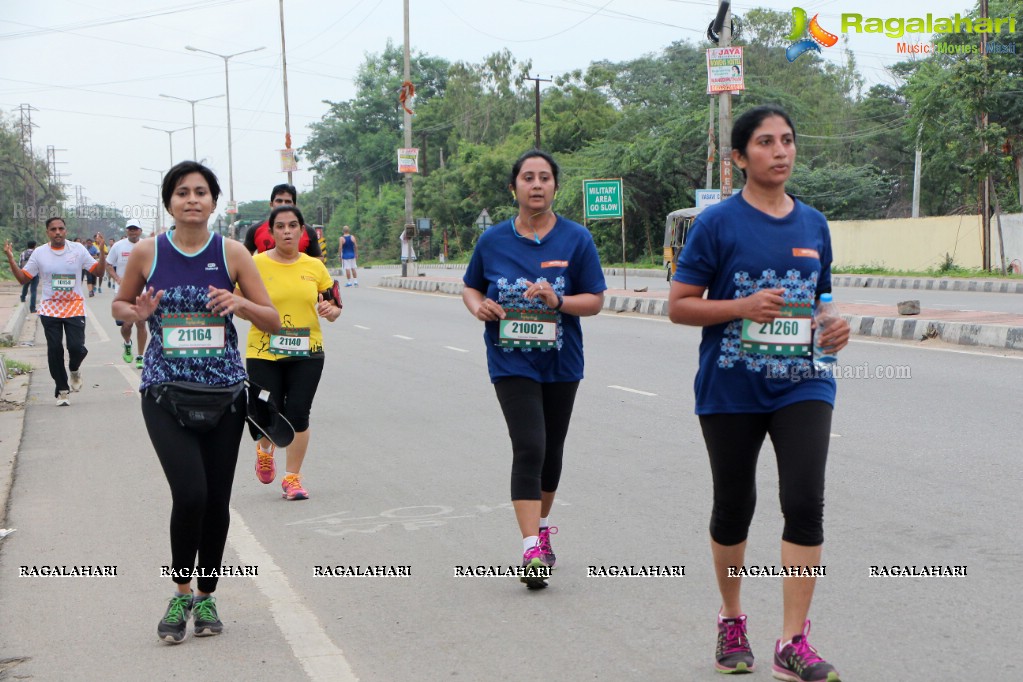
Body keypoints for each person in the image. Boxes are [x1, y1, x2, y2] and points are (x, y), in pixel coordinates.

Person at [668, 105, 849, 681]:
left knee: (804, 502)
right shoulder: (716, 225)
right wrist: (741, 307)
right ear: (740, 158)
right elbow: (679, 305)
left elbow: (820, 298)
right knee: (734, 506)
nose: (781, 151)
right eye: (766, 142)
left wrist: (833, 325)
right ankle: (731, 618)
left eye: (788, 140)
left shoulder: (814, 224)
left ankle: (793, 642)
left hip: (805, 381)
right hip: (731, 385)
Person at [111, 161, 279, 644]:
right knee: (190, 495)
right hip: (165, 393)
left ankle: (206, 595)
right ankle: (181, 592)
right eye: (182, 192)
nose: (191, 199)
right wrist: (135, 311)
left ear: (214, 202)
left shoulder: (233, 254)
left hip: (225, 395)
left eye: (201, 192)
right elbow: (120, 306)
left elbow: (271, 320)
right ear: (169, 202)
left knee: (218, 501)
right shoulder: (147, 253)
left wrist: (240, 304)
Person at [462, 149, 606, 589]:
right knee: (529, 444)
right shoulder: (493, 241)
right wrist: (479, 306)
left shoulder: (576, 239)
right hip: (511, 360)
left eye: (545, 177)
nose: (537, 184)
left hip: (562, 362)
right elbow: (471, 285)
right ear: (514, 187)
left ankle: (541, 527)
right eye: (528, 177)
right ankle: (529, 547)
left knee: (551, 453)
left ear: (555, 187)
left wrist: (558, 301)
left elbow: (595, 300)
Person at [239, 205, 341, 501]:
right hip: (263, 349)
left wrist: (330, 310)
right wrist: (255, 316)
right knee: (265, 413)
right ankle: (265, 449)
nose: (287, 231)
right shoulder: (254, 264)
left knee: (298, 413)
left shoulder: (314, 267)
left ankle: (292, 479)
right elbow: (235, 298)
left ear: (301, 231)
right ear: (270, 232)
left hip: (308, 350)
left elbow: (335, 306)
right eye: (280, 226)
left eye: (293, 225)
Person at [4, 218, 105, 406]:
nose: (57, 232)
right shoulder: (39, 253)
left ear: (65, 231)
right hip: (50, 307)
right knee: (54, 349)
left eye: (61, 229)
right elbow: (22, 279)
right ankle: (62, 390)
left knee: (76, 347)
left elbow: (98, 272)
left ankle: (74, 368)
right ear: (47, 232)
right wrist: (10, 258)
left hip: (74, 305)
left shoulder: (78, 249)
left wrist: (102, 252)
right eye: (53, 229)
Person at [106, 219, 147, 368]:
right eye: (130, 229)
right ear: (126, 231)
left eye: (135, 229)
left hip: (142, 291)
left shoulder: (147, 246)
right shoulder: (118, 246)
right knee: (127, 325)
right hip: (124, 291)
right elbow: (108, 264)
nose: (133, 231)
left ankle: (141, 356)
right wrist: (117, 278)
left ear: (140, 231)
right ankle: (127, 344)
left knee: (141, 323)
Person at [243, 183, 322, 259]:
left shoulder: (307, 231)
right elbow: (244, 259)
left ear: (294, 205)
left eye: (287, 201)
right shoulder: (255, 230)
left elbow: (319, 259)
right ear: (271, 204)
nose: (283, 204)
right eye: (279, 201)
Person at [18, 240, 38, 313]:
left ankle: (23, 297)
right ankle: (32, 308)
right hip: (35, 274)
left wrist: (21, 271)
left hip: (26, 273)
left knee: (25, 286)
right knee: (33, 290)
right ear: (34, 245)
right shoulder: (37, 253)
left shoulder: (23, 253)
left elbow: (20, 263)